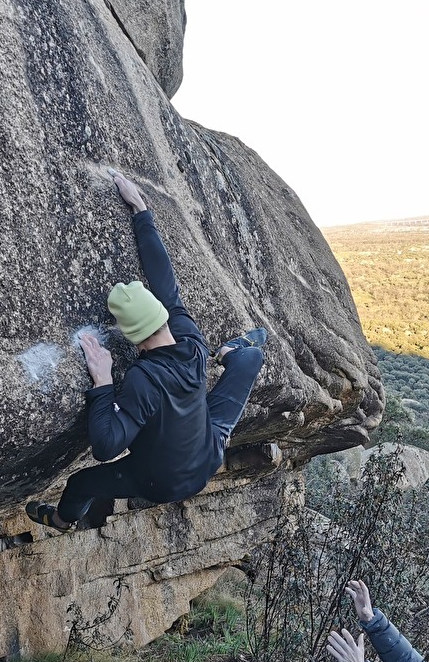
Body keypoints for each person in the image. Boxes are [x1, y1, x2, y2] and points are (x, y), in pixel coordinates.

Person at [26, 172, 266, 531]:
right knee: (252, 356)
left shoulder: (143, 379)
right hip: (208, 451)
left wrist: (103, 382)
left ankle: (61, 520)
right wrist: (141, 208)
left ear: (132, 338)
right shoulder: (190, 340)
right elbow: (166, 282)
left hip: (162, 482)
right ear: (161, 316)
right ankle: (232, 351)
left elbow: (106, 446)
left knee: (81, 484)